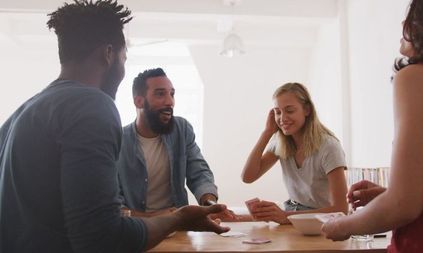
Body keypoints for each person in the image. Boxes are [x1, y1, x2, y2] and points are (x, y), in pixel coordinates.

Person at [0, 1, 229, 252]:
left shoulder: (22, 113)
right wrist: (179, 218)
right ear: (108, 54)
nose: (122, 67)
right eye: (123, 57)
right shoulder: (91, 105)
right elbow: (104, 238)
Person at [321, 0, 423, 252]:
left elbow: (403, 205)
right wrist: (388, 194)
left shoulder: (418, 78)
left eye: (413, 18)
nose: (403, 25)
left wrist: (342, 225)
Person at [117, 67, 233, 219]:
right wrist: (157, 216)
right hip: (136, 230)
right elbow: (114, 206)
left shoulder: (182, 129)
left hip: (178, 227)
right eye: (160, 94)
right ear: (139, 101)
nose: (170, 102)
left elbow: (199, 173)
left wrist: (209, 205)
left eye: (172, 94)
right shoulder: (117, 141)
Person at [241, 82, 349, 224]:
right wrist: (267, 132)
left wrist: (286, 216)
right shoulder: (281, 144)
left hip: (322, 224)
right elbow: (248, 177)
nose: (282, 118)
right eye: (278, 112)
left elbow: (341, 210)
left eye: (290, 111)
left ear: (307, 110)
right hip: (294, 217)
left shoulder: (329, 147)